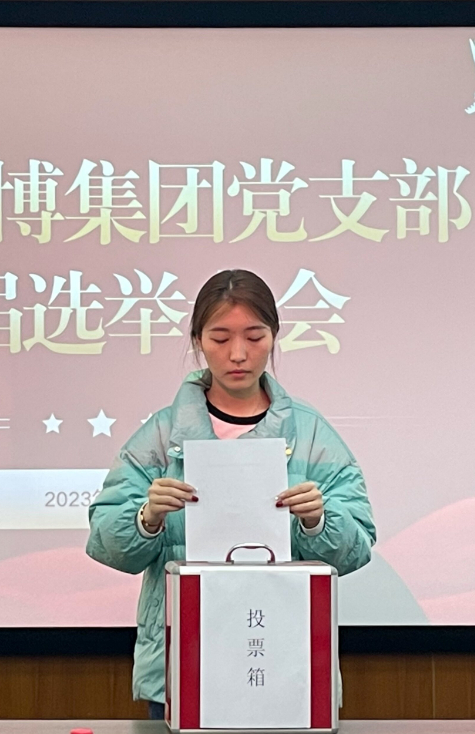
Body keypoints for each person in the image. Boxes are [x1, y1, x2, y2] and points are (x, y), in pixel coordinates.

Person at [86, 269, 376, 719]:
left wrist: (319, 521)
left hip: (285, 664)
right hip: (184, 665)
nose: (238, 354)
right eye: (220, 338)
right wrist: (146, 519)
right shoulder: (161, 436)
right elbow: (104, 542)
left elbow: (357, 549)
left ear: (274, 337)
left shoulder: (312, 434)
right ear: (198, 341)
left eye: (254, 337)